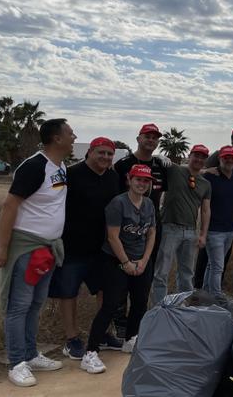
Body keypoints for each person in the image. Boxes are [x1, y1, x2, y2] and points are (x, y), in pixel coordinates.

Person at [0, 118, 74, 387]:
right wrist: (2, 247)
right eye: (70, 133)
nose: (74, 136)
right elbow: (9, 205)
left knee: (36, 304)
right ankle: (16, 363)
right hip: (27, 247)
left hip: (48, 248)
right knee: (19, 306)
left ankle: (30, 353)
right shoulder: (35, 166)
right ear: (57, 138)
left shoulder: (60, 166)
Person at [49, 137, 120, 361]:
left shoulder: (113, 177)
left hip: (102, 248)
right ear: (89, 152)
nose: (106, 158)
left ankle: (102, 333)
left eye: (110, 154)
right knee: (68, 293)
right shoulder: (71, 174)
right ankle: (72, 339)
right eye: (101, 153)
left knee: (104, 292)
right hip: (72, 247)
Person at [81, 164, 157, 374]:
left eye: (146, 180)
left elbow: (151, 233)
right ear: (129, 180)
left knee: (140, 302)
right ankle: (91, 352)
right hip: (116, 260)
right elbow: (113, 237)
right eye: (138, 179)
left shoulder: (149, 204)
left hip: (141, 260)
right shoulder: (118, 203)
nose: (142, 184)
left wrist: (144, 261)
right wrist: (126, 263)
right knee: (111, 304)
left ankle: (130, 339)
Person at [112, 123, 168, 341]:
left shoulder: (161, 165)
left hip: (152, 228)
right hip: (126, 229)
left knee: (145, 277)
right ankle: (120, 324)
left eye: (155, 138)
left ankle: (138, 325)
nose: (151, 141)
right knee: (122, 278)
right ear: (138, 138)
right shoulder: (123, 164)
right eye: (147, 136)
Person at [151, 145, 211, 306]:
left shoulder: (205, 184)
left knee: (186, 274)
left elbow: (205, 211)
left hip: (191, 232)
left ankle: (184, 306)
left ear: (205, 160)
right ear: (189, 156)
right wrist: (160, 158)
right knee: (161, 272)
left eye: (202, 157)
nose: (199, 159)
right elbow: (155, 161)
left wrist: (203, 235)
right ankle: (159, 308)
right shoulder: (175, 170)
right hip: (169, 228)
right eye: (196, 155)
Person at [195, 124, 233, 290]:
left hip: (232, 214)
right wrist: (207, 170)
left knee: (222, 257)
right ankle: (200, 287)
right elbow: (199, 170)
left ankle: (212, 287)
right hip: (214, 213)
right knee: (206, 256)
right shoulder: (219, 154)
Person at [201, 145, 233, 297]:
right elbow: (191, 176)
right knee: (218, 267)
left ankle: (205, 294)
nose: (229, 160)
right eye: (226, 157)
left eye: (232, 157)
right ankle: (217, 297)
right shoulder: (210, 177)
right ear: (219, 159)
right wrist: (204, 171)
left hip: (230, 229)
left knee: (212, 265)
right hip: (214, 230)